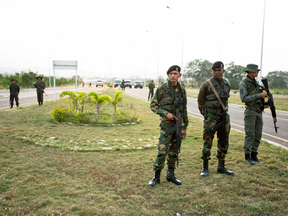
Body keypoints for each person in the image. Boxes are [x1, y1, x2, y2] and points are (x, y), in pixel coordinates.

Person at [149, 65, 189, 186]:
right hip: (166, 126)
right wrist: (166, 114)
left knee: (174, 151)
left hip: (178, 125)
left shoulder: (182, 90)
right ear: (168, 75)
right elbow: (153, 106)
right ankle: (156, 177)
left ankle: (170, 174)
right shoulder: (162, 88)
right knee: (162, 150)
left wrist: (185, 127)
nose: (173, 75)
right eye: (171, 73)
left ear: (179, 75)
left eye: (175, 73)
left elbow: (184, 109)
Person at [198, 61, 234, 177]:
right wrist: (207, 115)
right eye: (214, 71)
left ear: (223, 71)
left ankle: (221, 166)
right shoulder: (206, 84)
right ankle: (205, 168)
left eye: (219, 70)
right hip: (211, 116)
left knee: (224, 141)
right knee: (207, 141)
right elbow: (200, 102)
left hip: (224, 116)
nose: (216, 73)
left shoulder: (227, 83)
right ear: (212, 71)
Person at [239, 64, 269, 165]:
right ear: (250, 72)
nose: (257, 73)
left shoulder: (255, 83)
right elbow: (244, 99)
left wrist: (263, 103)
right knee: (250, 134)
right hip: (250, 112)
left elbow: (256, 98)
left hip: (258, 111)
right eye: (256, 71)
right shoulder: (244, 83)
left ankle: (254, 154)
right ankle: (247, 155)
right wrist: (258, 95)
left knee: (258, 134)